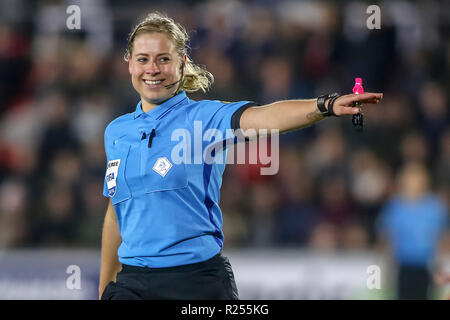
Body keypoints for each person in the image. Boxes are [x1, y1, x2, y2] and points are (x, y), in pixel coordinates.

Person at [98, 12, 383, 300]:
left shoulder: (204, 118)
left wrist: (326, 105)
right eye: (143, 59)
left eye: (164, 58)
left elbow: (265, 116)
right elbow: (116, 213)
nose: (152, 68)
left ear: (182, 64)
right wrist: (105, 286)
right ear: (130, 64)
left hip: (195, 283)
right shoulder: (116, 132)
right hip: (131, 284)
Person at [376, 161, 448, 300]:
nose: (413, 183)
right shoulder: (394, 207)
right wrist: (382, 268)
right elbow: (386, 237)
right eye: (409, 178)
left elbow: (442, 237)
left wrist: (441, 264)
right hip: (402, 267)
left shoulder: (435, 207)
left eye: (417, 178)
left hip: (427, 267)